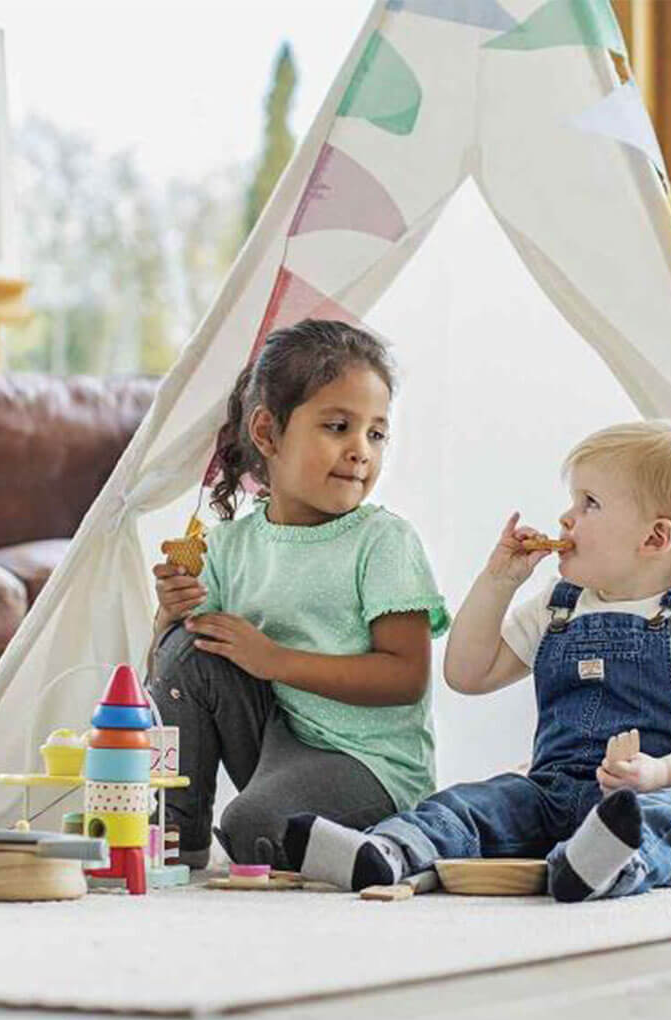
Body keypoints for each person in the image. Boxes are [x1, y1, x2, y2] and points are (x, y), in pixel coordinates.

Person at [284, 419, 671, 902]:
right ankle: (389, 849)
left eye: (589, 503)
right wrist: (499, 581)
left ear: (655, 539)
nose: (566, 518)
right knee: (476, 802)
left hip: (660, 793)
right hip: (551, 792)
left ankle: (608, 863)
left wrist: (665, 774)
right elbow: (468, 674)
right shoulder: (558, 607)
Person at [150, 319, 449, 869]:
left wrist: (275, 661)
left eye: (376, 434)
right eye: (338, 426)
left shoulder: (383, 541)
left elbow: (406, 678)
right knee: (188, 648)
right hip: (275, 744)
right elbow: (174, 674)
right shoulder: (228, 547)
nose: (361, 451)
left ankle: (397, 840)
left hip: (367, 762)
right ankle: (176, 832)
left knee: (252, 828)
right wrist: (169, 614)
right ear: (267, 433)